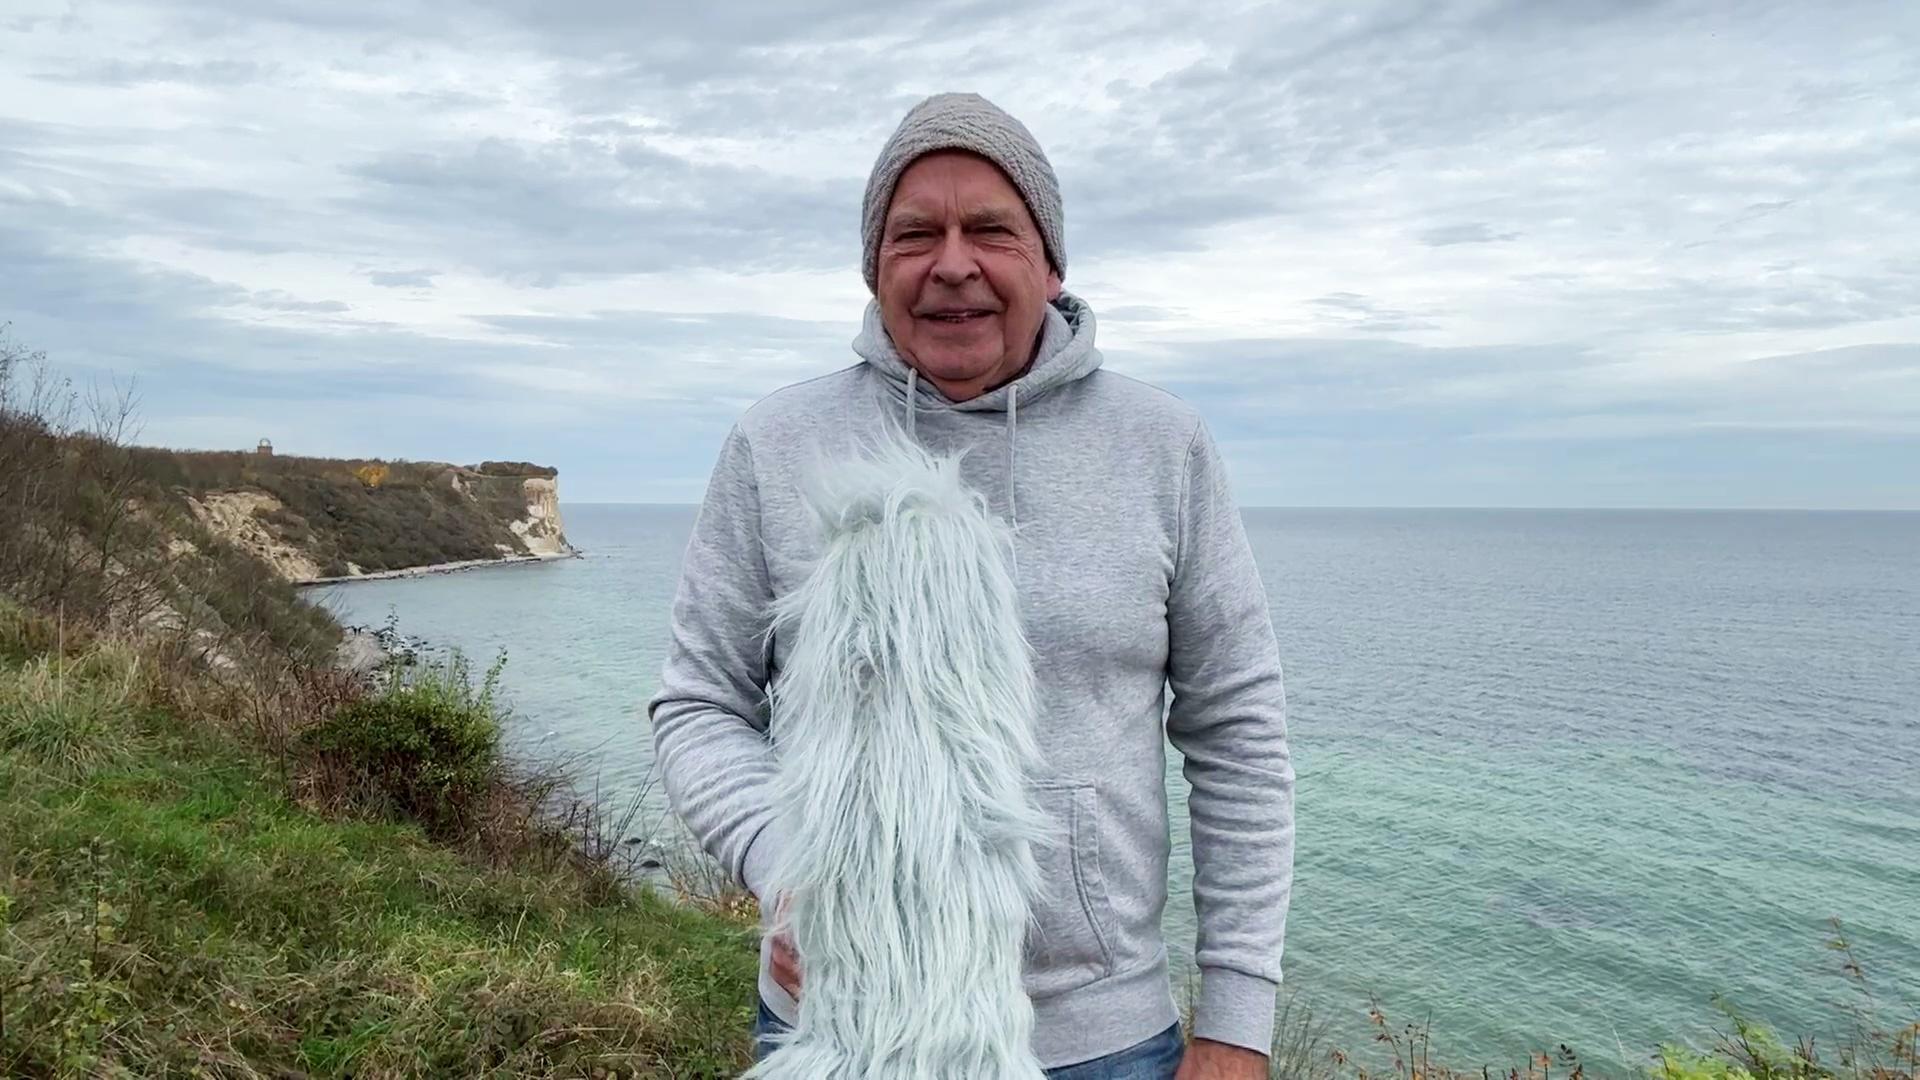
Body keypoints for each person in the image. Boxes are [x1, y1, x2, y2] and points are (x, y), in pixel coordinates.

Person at [648, 91, 1294, 1080]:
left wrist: (1238, 1018)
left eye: (990, 229)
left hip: (1105, 1042)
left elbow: (1238, 729)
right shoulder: (777, 445)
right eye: (916, 235)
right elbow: (697, 703)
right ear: (874, 268)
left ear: (1050, 259)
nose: (953, 264)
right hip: (838, 1024)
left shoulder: (1161, 445)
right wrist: (797, 872)